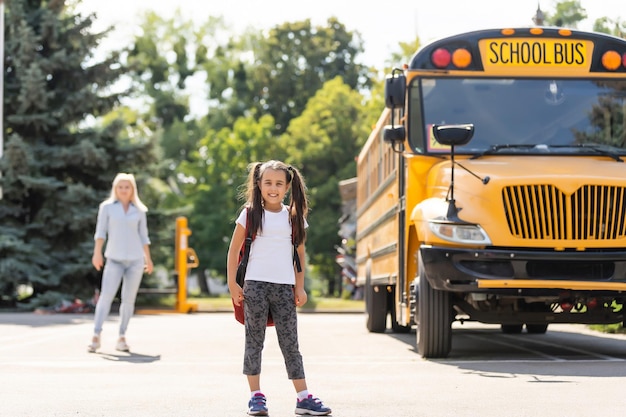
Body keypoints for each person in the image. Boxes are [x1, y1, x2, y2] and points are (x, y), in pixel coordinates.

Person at [227, 161, 332, 416]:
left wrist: (300, 286)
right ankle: (256, 396)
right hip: (255, 286)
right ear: (259, 184)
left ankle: (303, 397)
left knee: (290, 343)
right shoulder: (250, 213)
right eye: (268, 183)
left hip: (285, 287)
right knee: (254, 341)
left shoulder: (293, 216)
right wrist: (233, 283)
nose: (273, 188)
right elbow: (233, 250)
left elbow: (299, 254)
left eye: (278, 184)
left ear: (287, 186)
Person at [88, 173, 153, 353]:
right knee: (105, 297)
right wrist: (97, 253)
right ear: (115, 189)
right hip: (114, 259)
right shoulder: (107, 208)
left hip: (135, 261)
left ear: (133, 189)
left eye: (127, 187)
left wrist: (148, 258)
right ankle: (96, 335)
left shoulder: (139, 210)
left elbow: (143, 236)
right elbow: (100, 232)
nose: (124, 190)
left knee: (128, 300)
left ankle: (122, 337)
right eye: (120, 187)